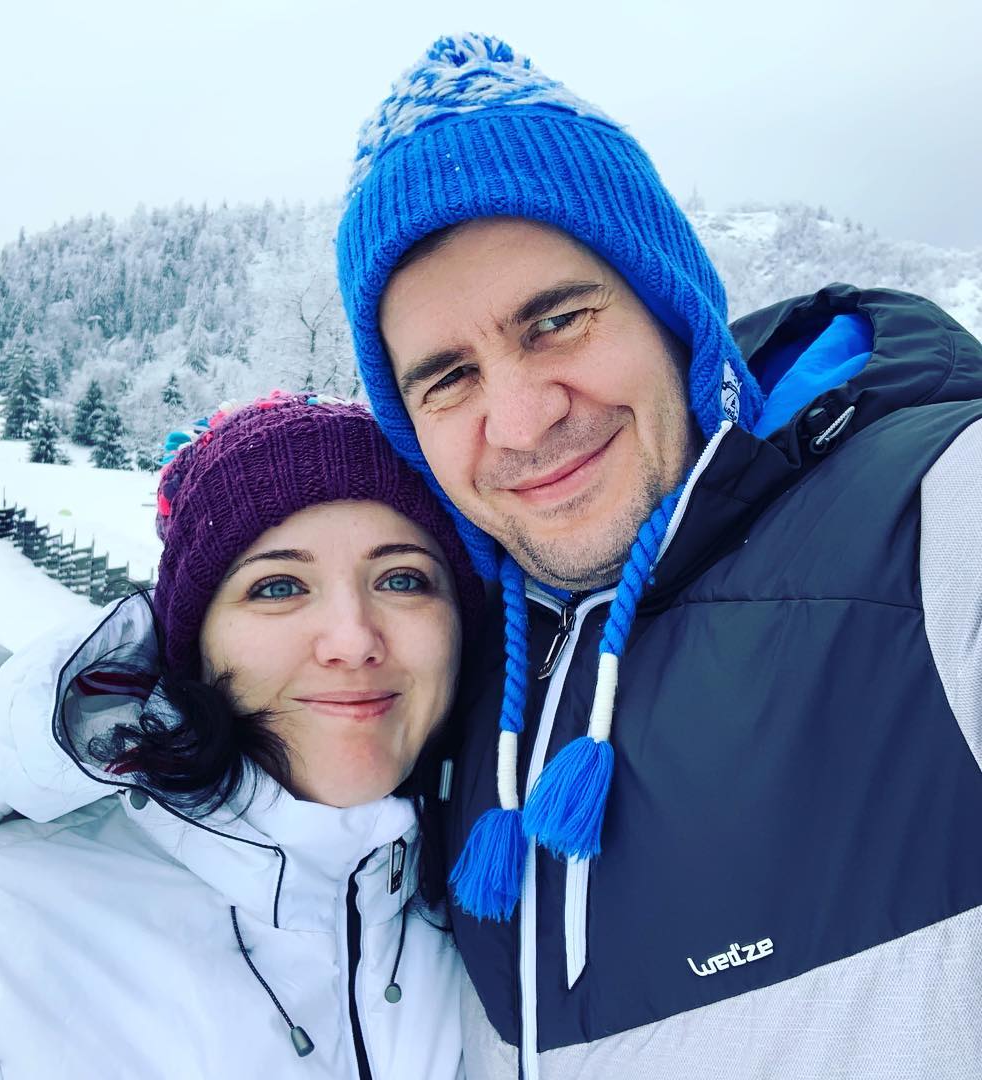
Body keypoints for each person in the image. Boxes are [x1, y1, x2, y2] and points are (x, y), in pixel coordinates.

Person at [332, 33, 982, 1078]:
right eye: (447, 379)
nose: (521, 419)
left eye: (558, 322)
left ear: (674, 315)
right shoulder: (457, 675)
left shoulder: (936, 521)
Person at [0, 392, 481, 1079]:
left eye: (402, 578)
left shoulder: (507, 909)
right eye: (278, 587)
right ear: (192, 645)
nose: (353, 640)